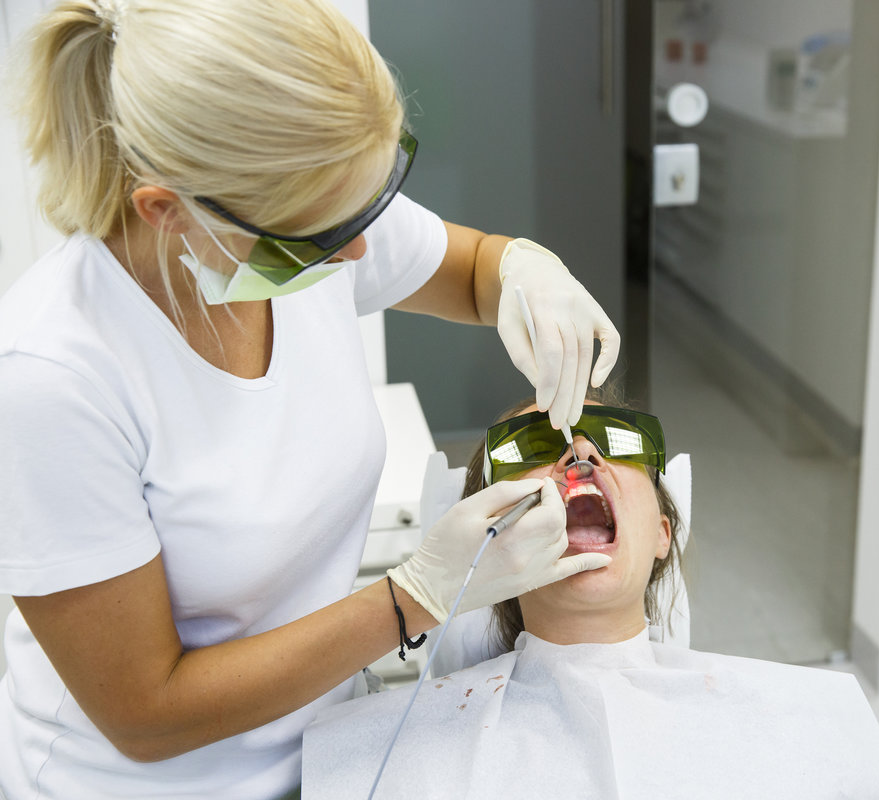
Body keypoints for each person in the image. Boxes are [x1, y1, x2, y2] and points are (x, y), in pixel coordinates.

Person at [0, 2, 621, 798]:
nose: (361, 249)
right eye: (327, 233)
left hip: (331, 743)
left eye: (369, 203)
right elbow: (145, 715)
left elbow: (469, 268)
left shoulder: (308, 215)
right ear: (169, 209)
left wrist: (529, 269)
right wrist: (417, 594)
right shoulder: (52, 379)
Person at [302, 396, 879, 798]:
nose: (582, 454)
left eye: (616, 441)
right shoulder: (385, 756)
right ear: (486, 535)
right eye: (536, 445)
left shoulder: (804, 724)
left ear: (662, 533)